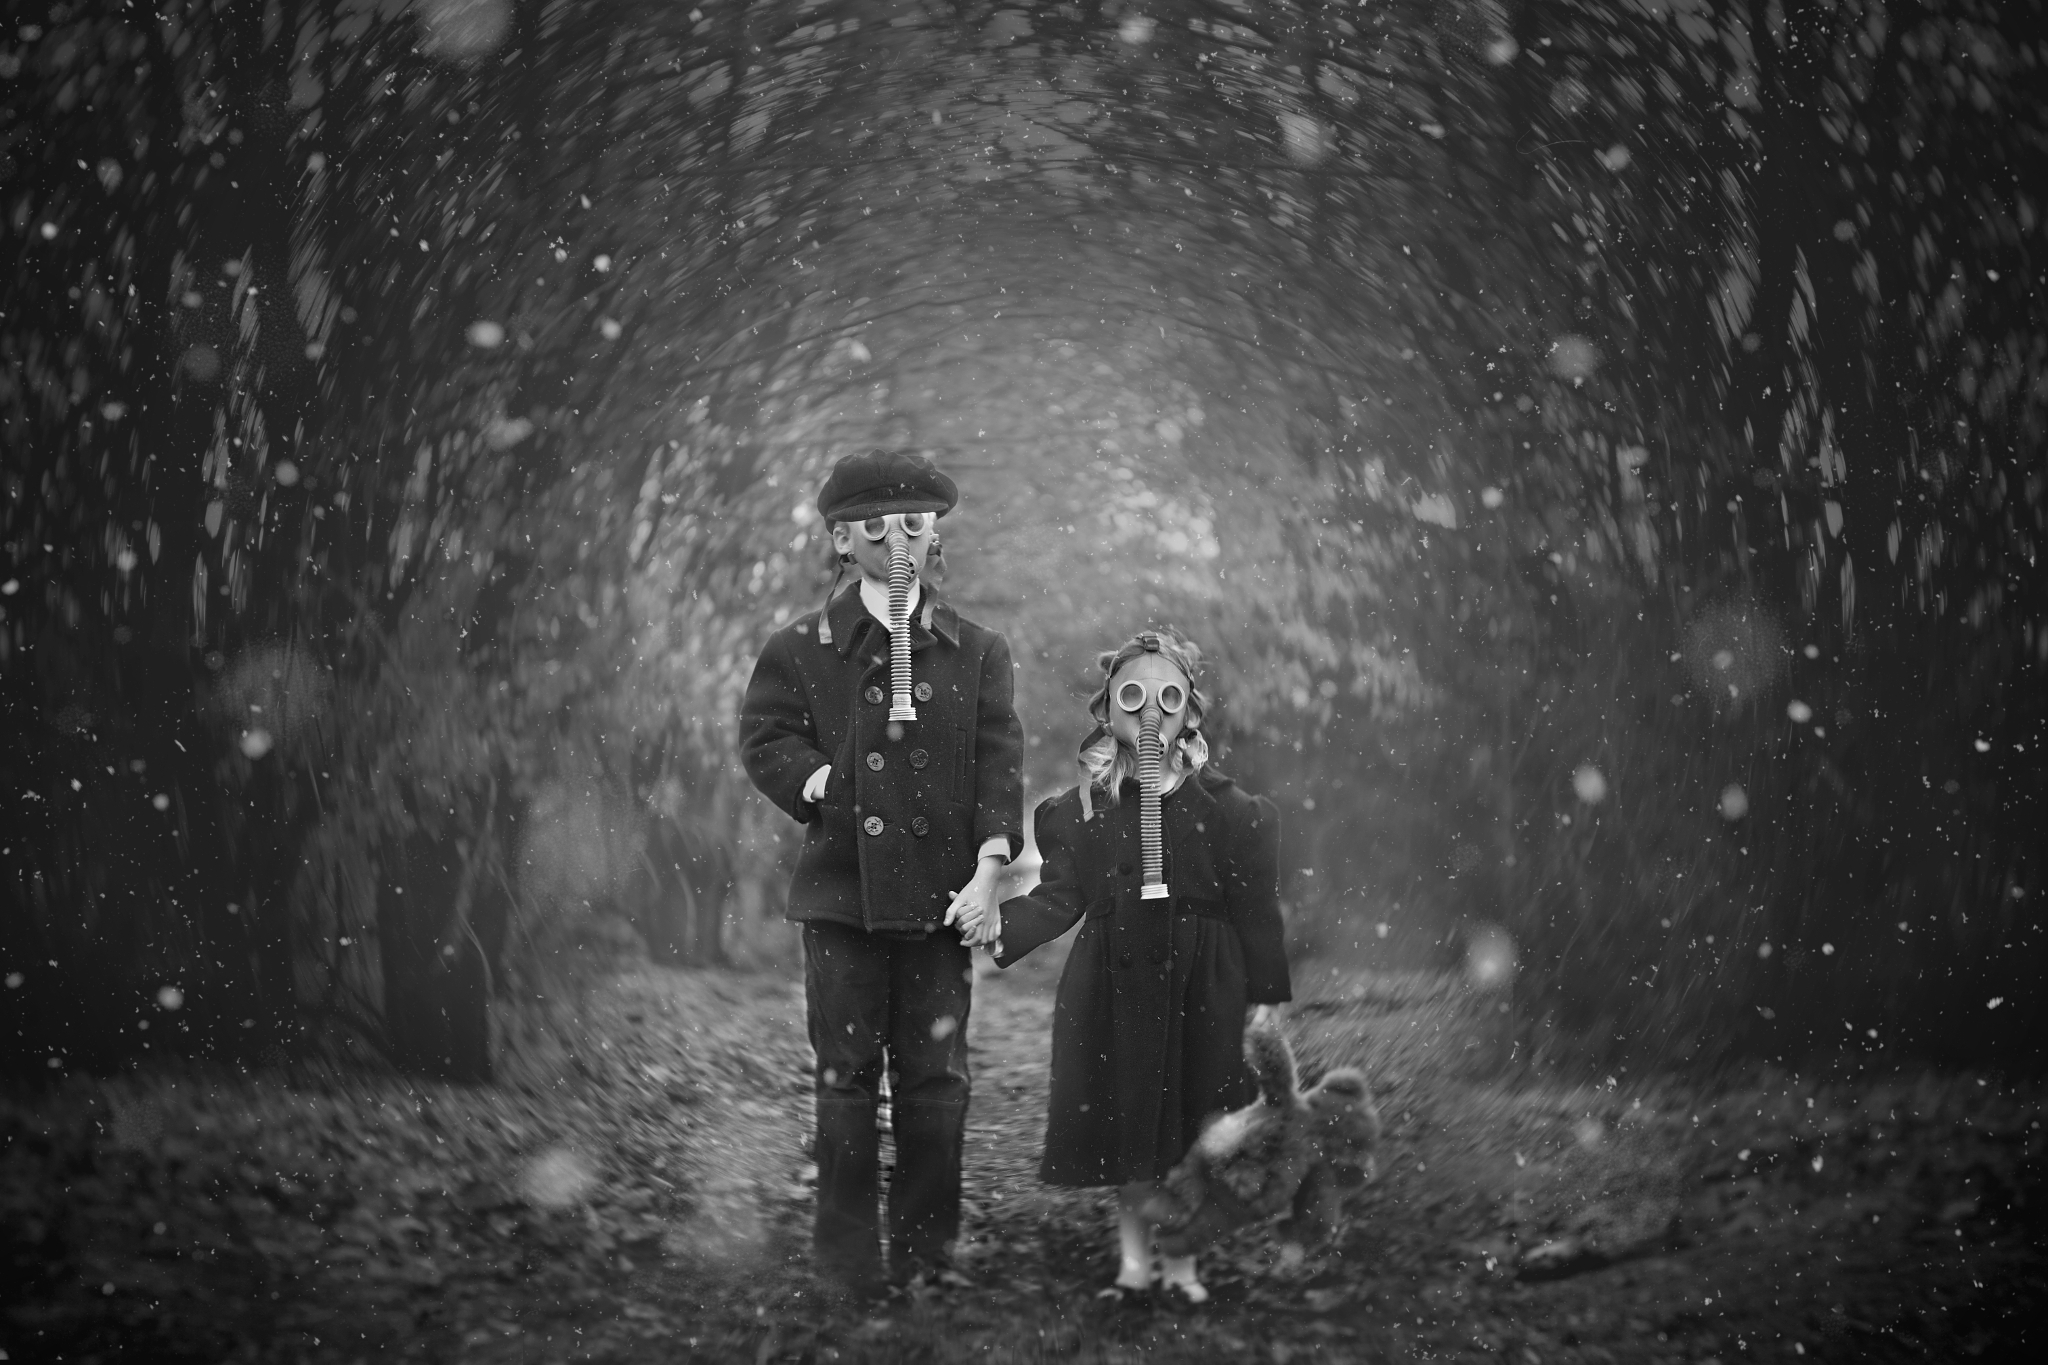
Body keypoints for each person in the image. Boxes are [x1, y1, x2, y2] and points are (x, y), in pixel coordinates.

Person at [739, 449, 1024, 1298]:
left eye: (914, 522)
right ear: (841, 538)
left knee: (936, 1080)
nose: (897, 538)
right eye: (875, 524)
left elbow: (998, 768)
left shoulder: (977, 651)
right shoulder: (801, 648)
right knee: (846, 1077)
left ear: (933, 534)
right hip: (842, 897)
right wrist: (823, 781)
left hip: (940, 899)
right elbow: (766, 737)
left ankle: (927, 1254)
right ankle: (846, 1259)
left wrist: (989, 872)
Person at [993, 629, 1290, 1303]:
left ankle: (1182, 1266)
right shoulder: (1083, 812)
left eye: (1168, 698)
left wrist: (1264, 993)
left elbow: (1255, 908)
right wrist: (996, 927)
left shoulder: (1230, 813)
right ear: (1108, 711)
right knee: (1131, 1131)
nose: (1150, 712)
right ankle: (1133, 1268)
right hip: (1115, 984)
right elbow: (1060, 897)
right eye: (1133, 696)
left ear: (1190, 713)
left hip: (1203, 985)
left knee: (1195, 1134)